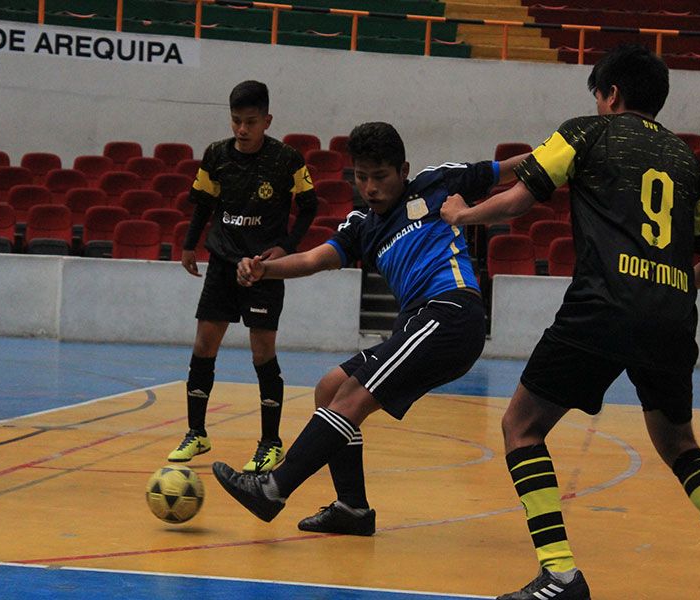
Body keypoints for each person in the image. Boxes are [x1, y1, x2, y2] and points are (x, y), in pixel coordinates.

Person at [441, 45, 700, 599]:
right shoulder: (687, 161)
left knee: (521, 428)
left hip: (602, 307)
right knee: (681, 445)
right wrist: (667, 286)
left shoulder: (584, 132)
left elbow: (517, 202)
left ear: (612, 94)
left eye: (598, 95)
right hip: (673, 317)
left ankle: (559, 574)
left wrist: (461, 214)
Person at [211, 121, 527, 536]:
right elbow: (311, 260)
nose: (371, 187)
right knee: (330, 388)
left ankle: (273, 487)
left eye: (380, 177)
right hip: (416, 324)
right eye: (362, 177)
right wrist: (263, 269)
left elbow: (511, 169)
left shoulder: (436, 184)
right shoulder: (361, 224)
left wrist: (563, 157)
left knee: (354, 397)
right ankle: (352, 509)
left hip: (452, 311)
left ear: (404, 169)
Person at [166, 81, 319, 473]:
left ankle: (271, 442)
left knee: (262, 351)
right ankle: (196, 432)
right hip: (221, 261)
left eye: (250, 122)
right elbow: (203, 204)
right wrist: (188, 245)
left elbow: (308, 207)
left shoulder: (287, 159)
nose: (242, 130)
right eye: (236, 121)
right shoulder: (215, 155)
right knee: (204, 343)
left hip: (263, 267)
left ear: (266, 120)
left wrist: (285, 248)